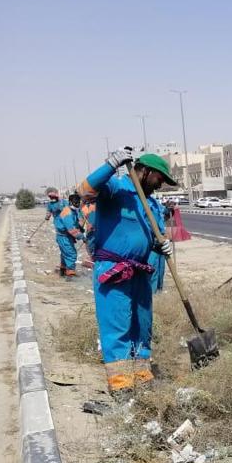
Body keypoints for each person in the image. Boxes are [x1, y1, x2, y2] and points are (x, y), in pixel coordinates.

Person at [77, 149, 175, 393]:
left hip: (141, 273)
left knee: (142, 326)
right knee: (117, 326)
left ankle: (141, 376)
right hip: (114, 271)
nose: (161, 184)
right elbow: (85, 190)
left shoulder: (151, 203)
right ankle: (121, 386)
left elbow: (155, 235)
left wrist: (161, 244)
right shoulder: (115, 189)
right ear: (146, 171)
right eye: (160, 178)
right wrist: (111, 164)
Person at [53, 193, 84, 277]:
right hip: (63, 237)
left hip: (66, 236)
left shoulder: (73, 210)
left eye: (78, 203)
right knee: (71, 254)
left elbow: (75, 222)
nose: (77, 204)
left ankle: (62, 271)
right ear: (70, 202)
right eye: (75, 203)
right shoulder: (67, 212)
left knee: (64, 253)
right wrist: (82, 237)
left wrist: (80, 227)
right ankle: (70, 274)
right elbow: (71, 229)